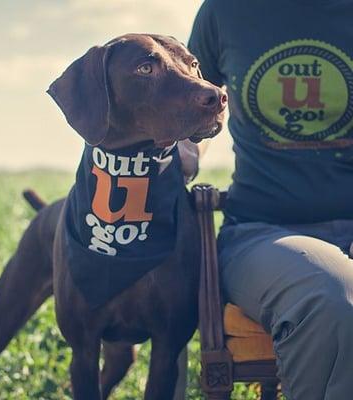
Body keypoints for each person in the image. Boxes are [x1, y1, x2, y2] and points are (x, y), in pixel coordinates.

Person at [188, 0, 353, 398]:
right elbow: (187, 112)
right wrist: (178, 161)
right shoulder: (225, 12)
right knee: (330, 294)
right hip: (260, 234)